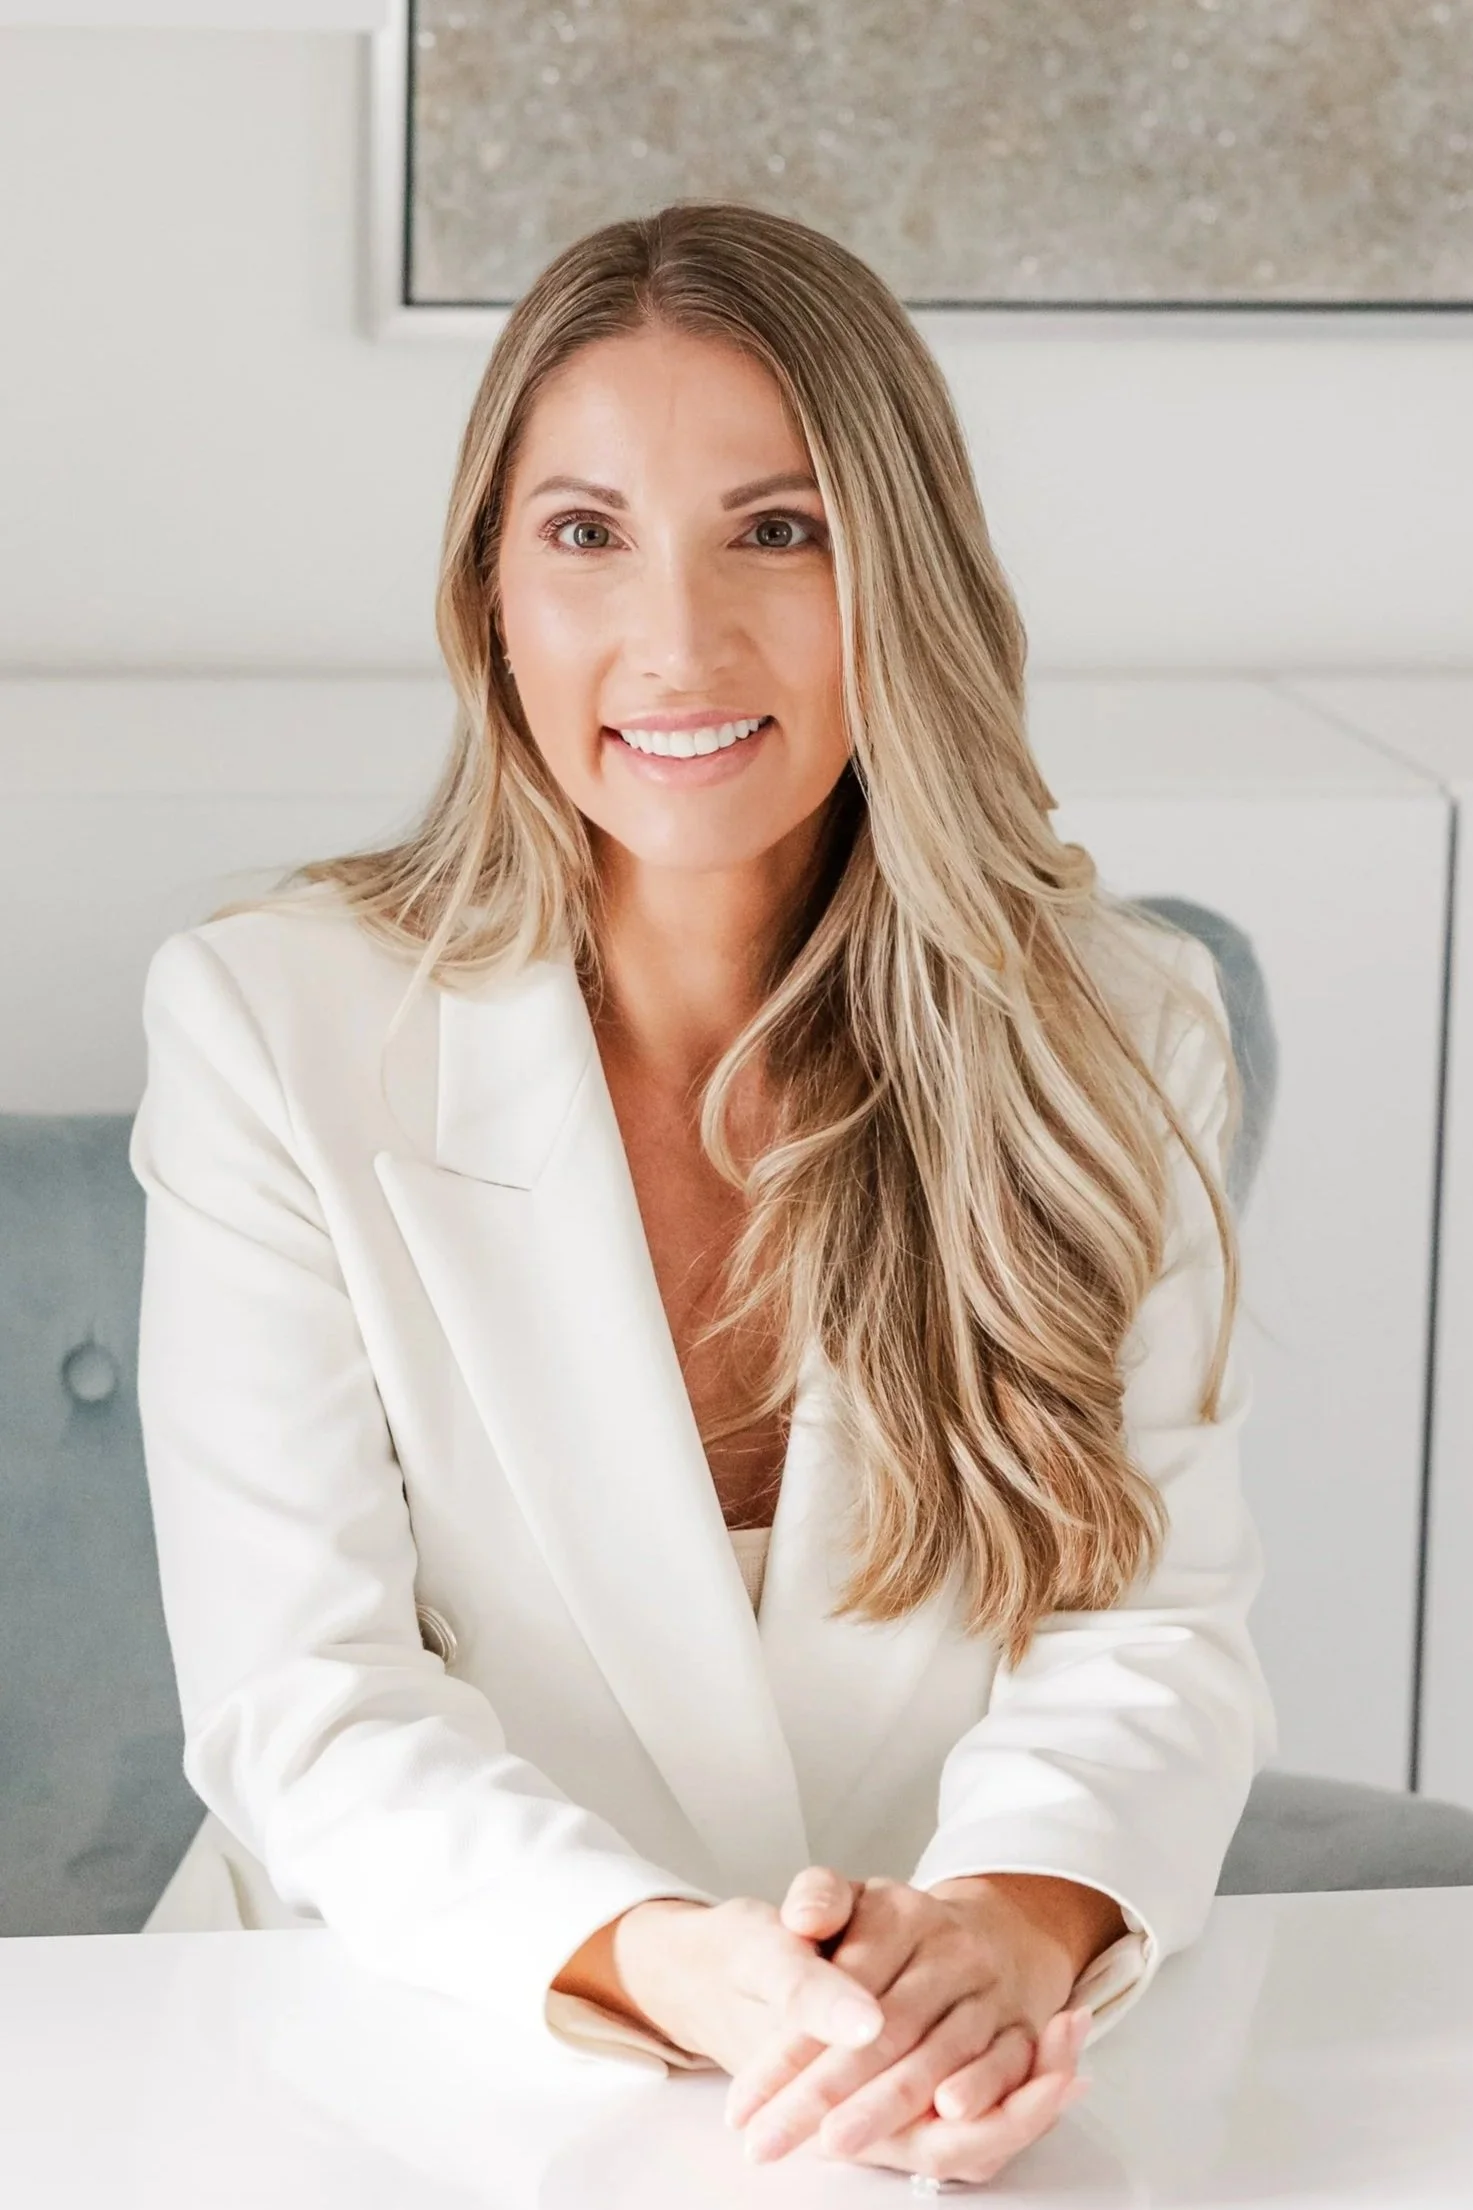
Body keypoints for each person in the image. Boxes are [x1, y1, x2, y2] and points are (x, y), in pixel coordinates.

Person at [130, 201, 1276, 2188]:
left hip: (914, 2097)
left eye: (778, 529)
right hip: (382, 2059)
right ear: (491, 595)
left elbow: (1147, 1622)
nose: (676, 640)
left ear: (900, 572)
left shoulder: (1117, 1022)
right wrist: (683, 1968)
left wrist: (1002, 1935)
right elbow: (304, 1696)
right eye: (586, 532)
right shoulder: (270, 1023)